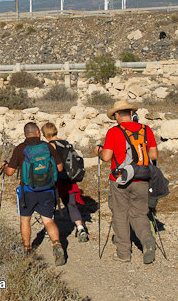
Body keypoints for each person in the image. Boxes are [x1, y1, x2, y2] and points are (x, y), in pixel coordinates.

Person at [94, 100, 158, 264]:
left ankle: (124, 253)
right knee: (139, 213)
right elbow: (153, 156)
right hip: (142, 177)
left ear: (116, 115)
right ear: (131, 113)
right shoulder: (146, 129)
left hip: (120, 179)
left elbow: (107, 157)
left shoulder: (114, 131)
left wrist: (99, 151)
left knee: (120, 215)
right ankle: (147, 240)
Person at [0, 122, 66, 266]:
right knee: (48, 220)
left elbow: (10, 172)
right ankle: (57, 245)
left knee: (25, 220)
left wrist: (5, 167)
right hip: (48, 189)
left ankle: (27, 249)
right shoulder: (48, 147)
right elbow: (60, 168)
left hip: (28, 191)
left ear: (25, 134)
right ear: (37, 132)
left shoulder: (20, 149)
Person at [41, 122, 89, 243]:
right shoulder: (66, 143)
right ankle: (80, 228)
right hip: (69, 180)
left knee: (50, 205)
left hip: (57, 179)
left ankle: (48, 230)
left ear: (45, 134)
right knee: (71, 205)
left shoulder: (50, 146)